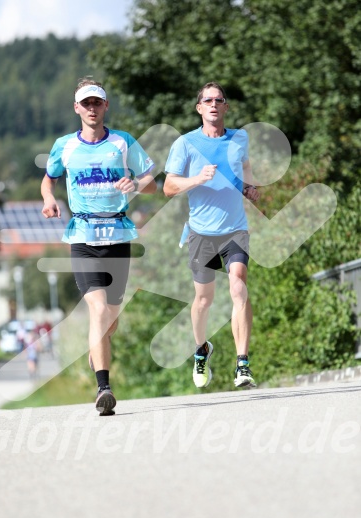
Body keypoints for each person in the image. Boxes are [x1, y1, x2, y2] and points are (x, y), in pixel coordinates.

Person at [41, 78, 156, 414]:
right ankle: (104, 389)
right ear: (76, 108)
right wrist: (49, 199)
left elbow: (151, 183)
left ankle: (98, 349)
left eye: (97, 103)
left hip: (117, 235)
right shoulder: (64, 146)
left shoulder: (123, 143)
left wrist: (135, 183)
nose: (92, 109)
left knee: (111, 320)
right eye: (86, 103)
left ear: (106, 107)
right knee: (99, 310)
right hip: (82, 235)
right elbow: (49, 179)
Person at [163, 82, 259, 389]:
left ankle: (242, 364)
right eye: (208, 100)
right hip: (201, 232)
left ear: (226, 107)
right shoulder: (185, 144)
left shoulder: (239, 138)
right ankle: (201, 350)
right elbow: (168, 187)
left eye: (219, 100)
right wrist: (197, 179)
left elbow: (244, 167)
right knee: (203, 300)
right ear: (200, 108)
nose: (214, 104)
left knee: (239, 286)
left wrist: (249, 187)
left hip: (235, 228)